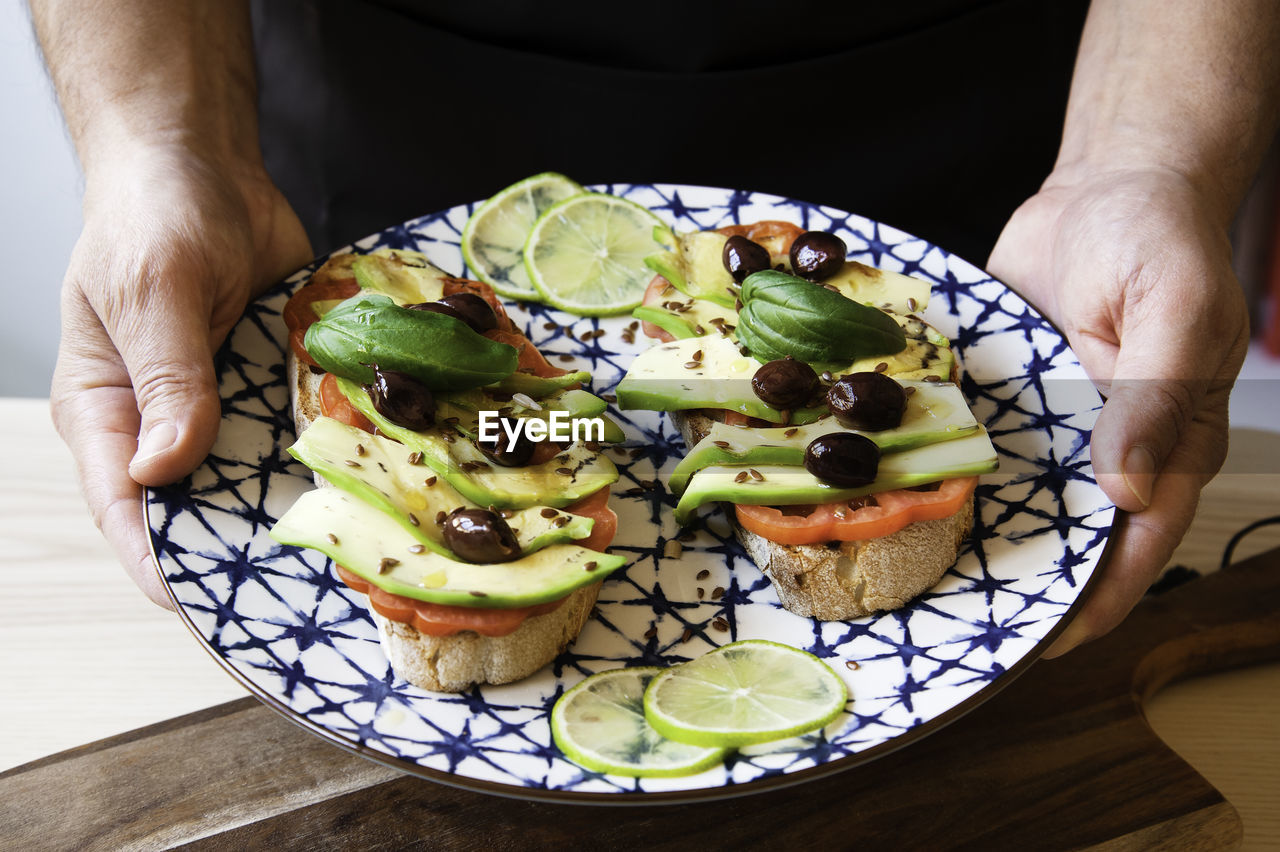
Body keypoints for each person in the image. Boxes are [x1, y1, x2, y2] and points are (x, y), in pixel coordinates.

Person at [32, 0, 1280, 656]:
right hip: (399, 110)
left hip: (972, 119)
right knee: (423, 364)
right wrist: (164, 143)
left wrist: (1140, 155)